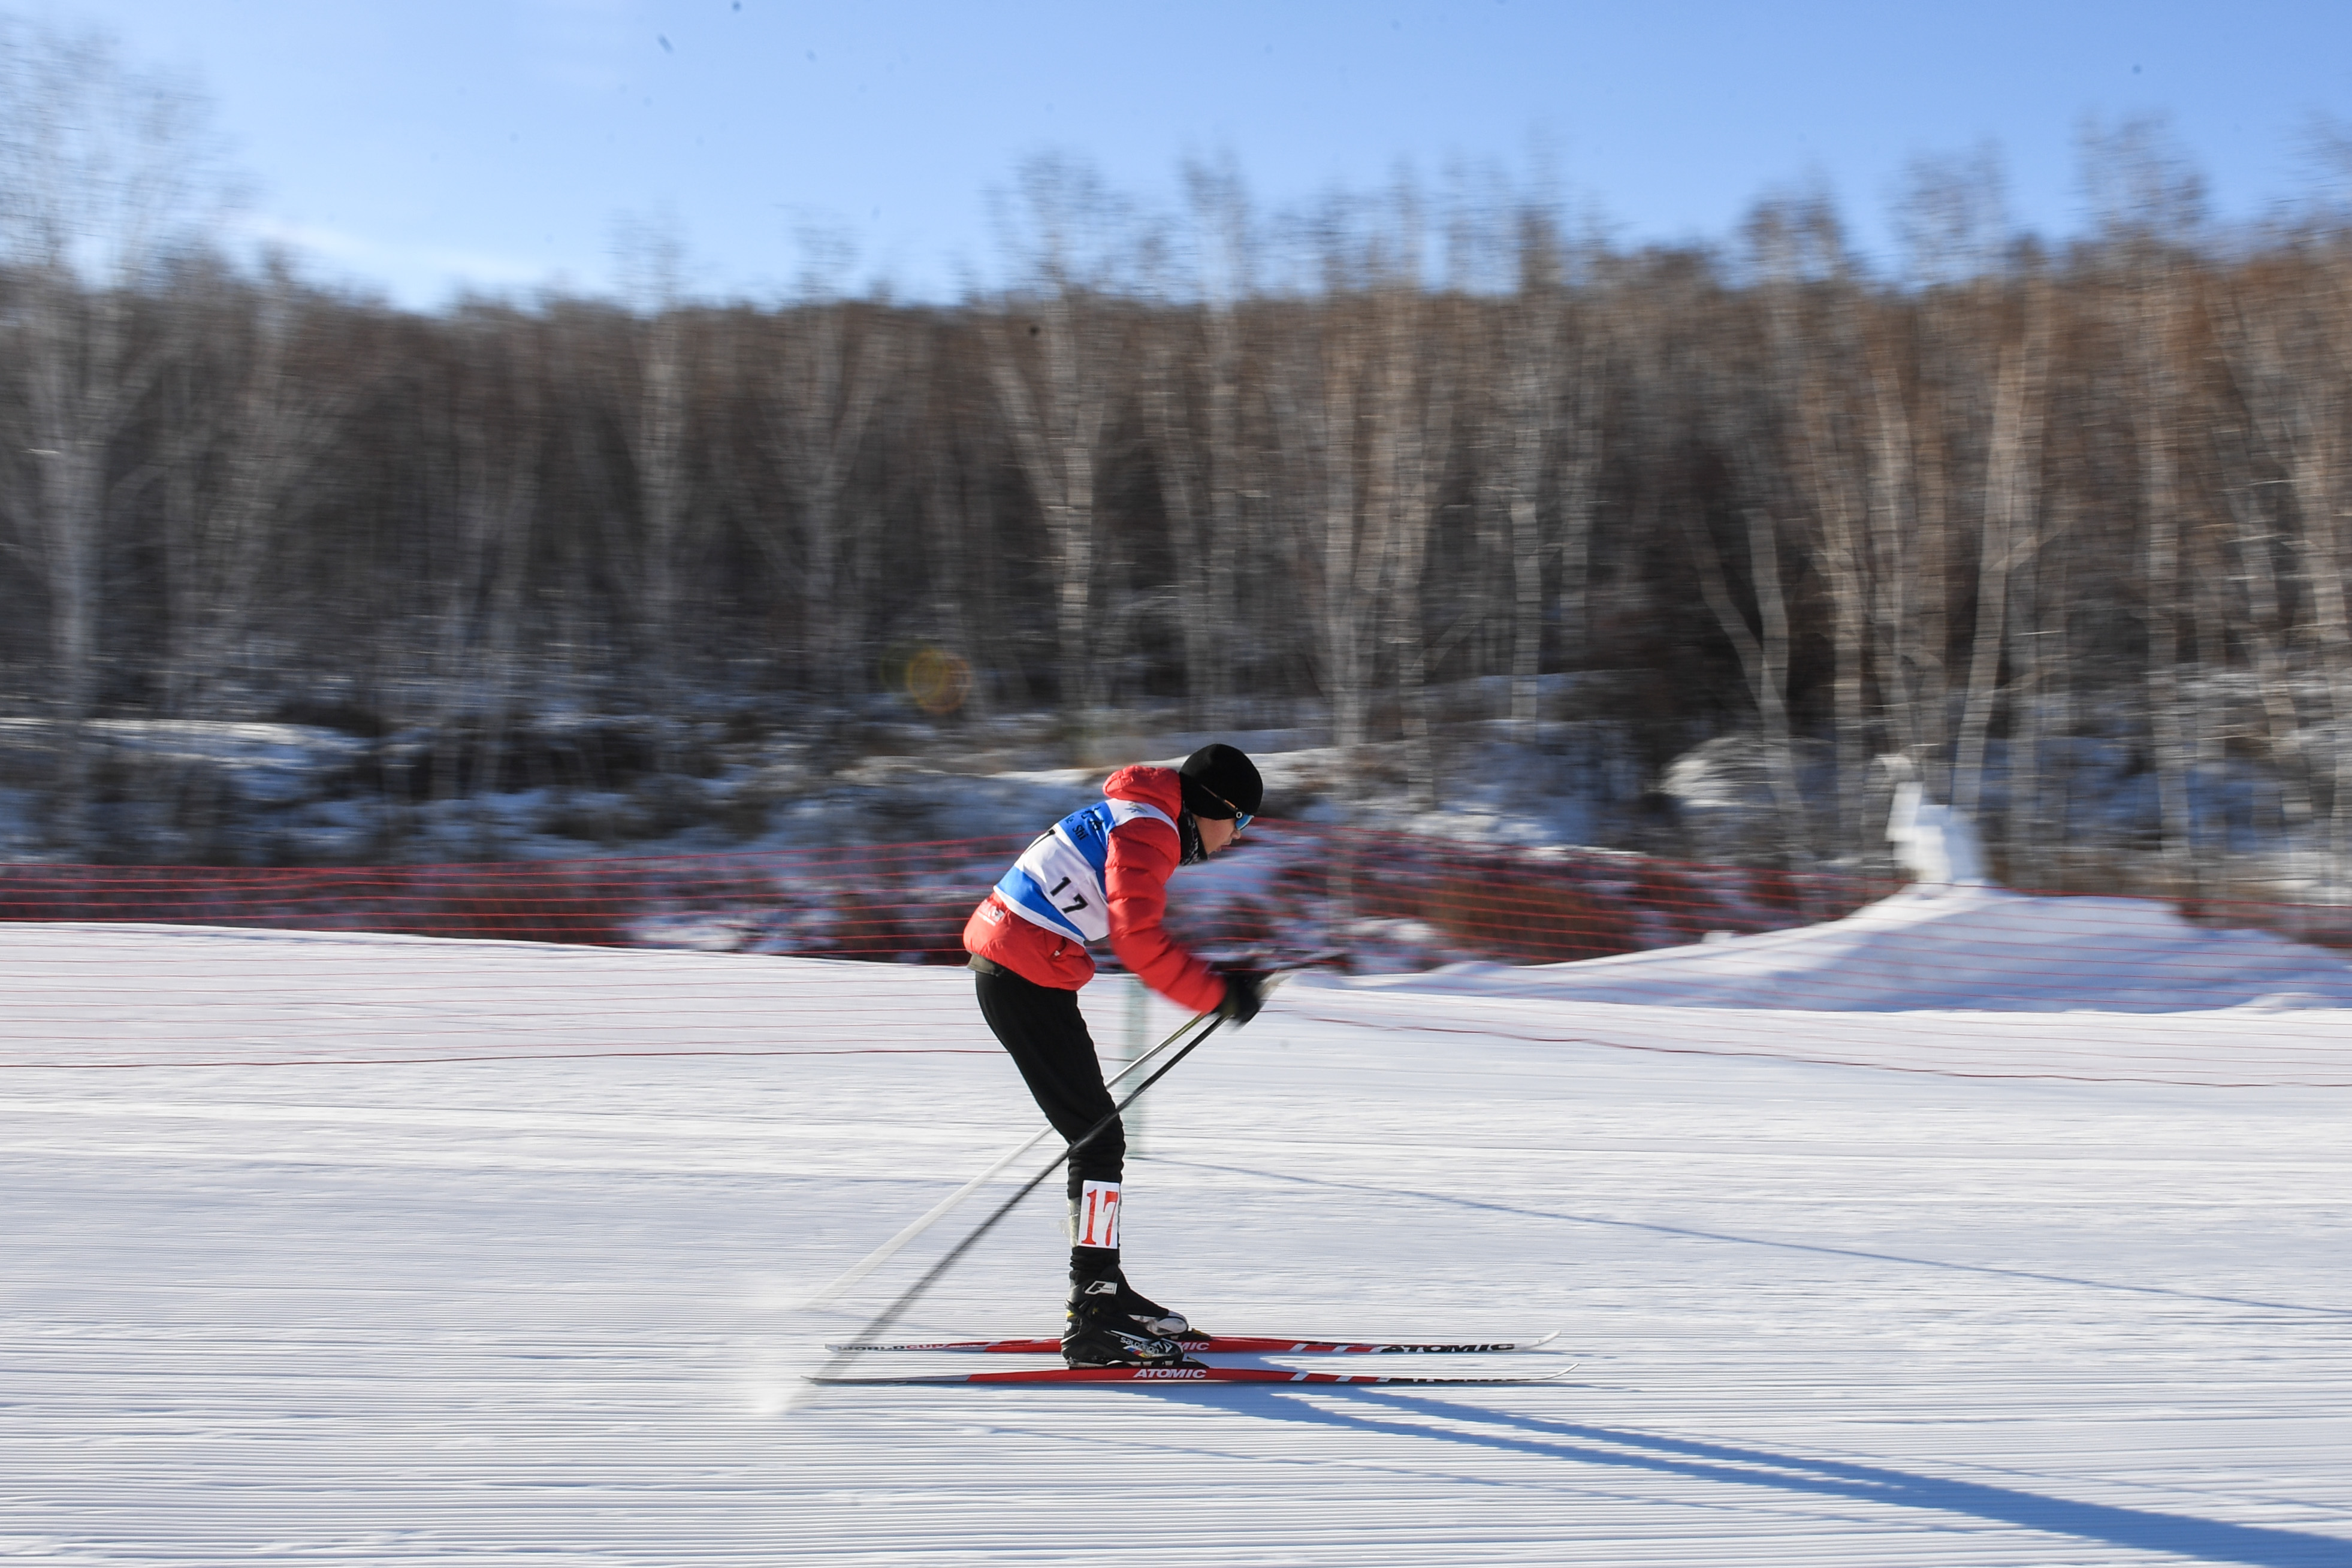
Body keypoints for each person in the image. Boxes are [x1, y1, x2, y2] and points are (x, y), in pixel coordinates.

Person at [962, 742, 1269, 1368]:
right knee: (1098, 1141)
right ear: (1213, 806)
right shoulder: (1150, 828)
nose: (1235, 840)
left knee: (1098, 1137)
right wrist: (1216, 995)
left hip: (1023, 968)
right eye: (1239, 824)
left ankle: (1105, 1288)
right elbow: (1138, 940)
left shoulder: (1141, 814)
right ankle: (1093, 1313)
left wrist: (1216, 985)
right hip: (1021, 974)